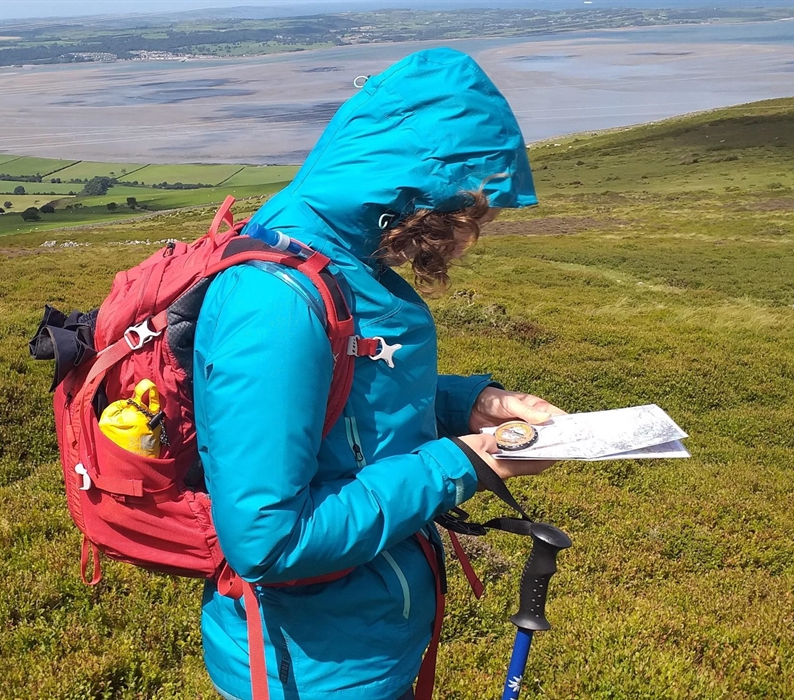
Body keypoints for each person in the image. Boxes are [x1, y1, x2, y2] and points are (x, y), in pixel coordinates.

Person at [192, 48, 564, 700]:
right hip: (308, 674)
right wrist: (464, 465)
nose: (463, 238)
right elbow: (268, 543)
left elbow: (343, 401)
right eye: (464, 214)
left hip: (360, 643)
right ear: (408, 191)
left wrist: (471, 406)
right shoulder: (274, 300)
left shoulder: (338, 253)